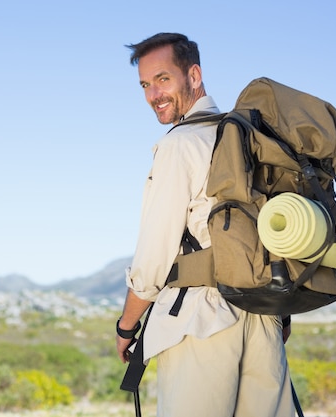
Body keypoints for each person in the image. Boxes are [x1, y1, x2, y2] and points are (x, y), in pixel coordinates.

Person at [115, 33, 295, 417]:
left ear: (193, 75)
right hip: (264, 314)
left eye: (163, 79)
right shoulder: (250, 138)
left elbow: (154, 255)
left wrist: (127, 325)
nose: (153, 95)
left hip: (202, 320)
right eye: (145, 85)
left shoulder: (181, 144)